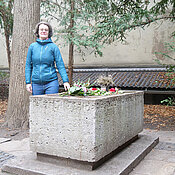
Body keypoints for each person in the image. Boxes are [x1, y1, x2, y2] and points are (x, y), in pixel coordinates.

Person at [25, 21, 70, 95]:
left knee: (51, 105)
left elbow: (60, 65)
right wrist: (28, 82)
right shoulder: (32, 47)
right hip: (36, 84)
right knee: (37, 105)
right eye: (41, 29)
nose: (43, 31)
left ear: (49, 32)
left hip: (51, 83)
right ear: (38, 32)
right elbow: (28, 66)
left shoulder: (53, 47)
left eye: (46, 30)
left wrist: (65, 81)